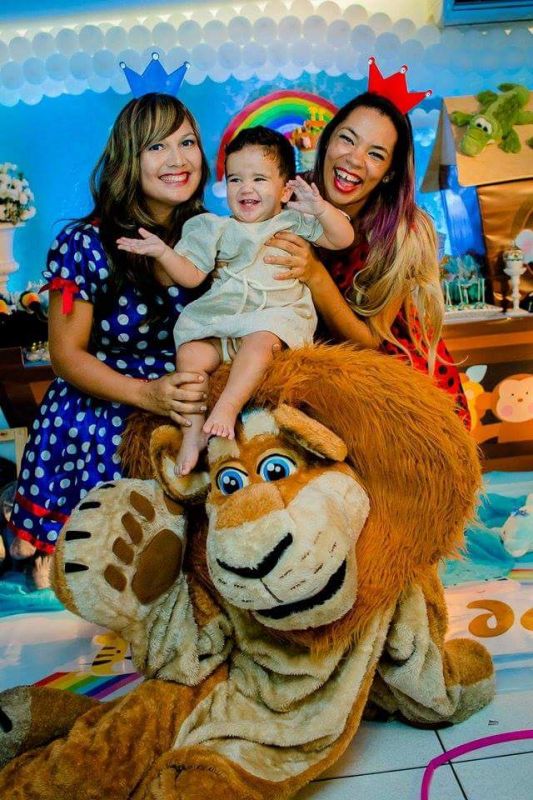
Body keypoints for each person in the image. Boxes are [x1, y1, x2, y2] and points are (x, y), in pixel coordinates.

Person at [9, 93, 210, 564]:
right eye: (157, 147)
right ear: (128, 159)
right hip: (101, 424)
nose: (178, 160)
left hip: (187, 420)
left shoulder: (212, 236)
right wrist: (146, 394)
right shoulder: (85, 243)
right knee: (110, 566)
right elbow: (66, 356)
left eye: (187, 143)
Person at [117, 126, 354, 475]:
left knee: (260, 341)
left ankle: (227, 407)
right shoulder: (215, 228)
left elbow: (342, 238)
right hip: (225, 321)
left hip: (272, 318)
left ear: (285, 189)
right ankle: (193, 432)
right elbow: (191, 275)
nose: (246, 188)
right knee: (191, 353)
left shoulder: (293, 221)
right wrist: (164, 253)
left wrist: (319, 208)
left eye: (259, 179)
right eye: (235, 180)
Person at [265, 90, 471, 427]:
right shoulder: (288, 197)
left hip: (395, 386)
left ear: (389, 172)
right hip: (314, 381)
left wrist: (314, 273)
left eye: (375, 154)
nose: (354, 160)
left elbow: (370, 344)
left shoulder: (402, 232)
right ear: (327, 141)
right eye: (347, 139)